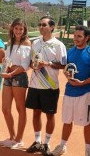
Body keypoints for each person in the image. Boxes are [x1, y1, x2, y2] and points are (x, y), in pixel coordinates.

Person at [51, 25, 90, 156]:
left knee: (87, 123)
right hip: (69, 92)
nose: (76, 38)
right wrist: (67, 76)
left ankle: (87, 150)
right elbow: (66, 69)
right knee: (67, 121)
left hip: (85, 93)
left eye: (79, 36)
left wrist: (83, 83)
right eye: (75, 36)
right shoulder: (70, 52)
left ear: (87, 38)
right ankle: (62, 146)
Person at [25, 16, 67, 156]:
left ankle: (46, 143)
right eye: (40, 25)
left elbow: (63, 65)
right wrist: (33, 65)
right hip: (34, 85)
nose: (41, 27)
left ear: (52, 27)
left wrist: (47, 64)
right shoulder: (35, 43)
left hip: (50, 86)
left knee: (49, 115)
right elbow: (31, 62)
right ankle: (37, 141)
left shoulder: (59, 45)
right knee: (36, 113)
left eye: (44, 25)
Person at [0, 18, 31, 149]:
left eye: (21, 29)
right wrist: (3, 70)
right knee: (5, 109)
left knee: (20, 108)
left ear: (24, 30)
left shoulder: (27, 43)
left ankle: (19, 139)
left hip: (19, 78)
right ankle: (12, 137)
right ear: (12, 29)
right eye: (16, 28)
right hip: (8, 77)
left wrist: (11, 74)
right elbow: (7, 60)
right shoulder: (10, 42)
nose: (18, 31)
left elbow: (24, 65)